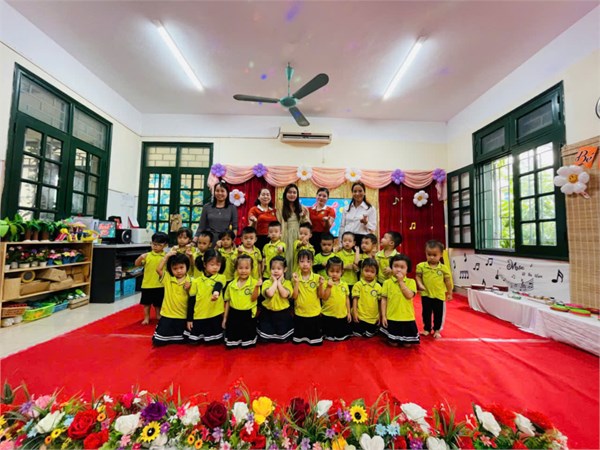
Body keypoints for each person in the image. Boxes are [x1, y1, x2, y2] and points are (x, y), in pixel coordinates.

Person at [185, 249, 226, 344]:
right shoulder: (196, 281)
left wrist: (216, 292)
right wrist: (189, 319)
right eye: (212, 264)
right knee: (193, 341)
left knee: (214, 342)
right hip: (199, 315)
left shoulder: (221, 277)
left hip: (214, 315)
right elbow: (191, 300)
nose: (215, 267)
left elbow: (218, 285)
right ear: (204, 264)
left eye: (218, 265)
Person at [152, 251, 192, 346]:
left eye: (181, 267)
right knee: (158, 342)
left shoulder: (191, 280)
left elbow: (193, 299)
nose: (179, 271)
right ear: (170, 269)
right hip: (167, 315)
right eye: (175, 268)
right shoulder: (167, 278)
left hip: (182, 316)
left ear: (187, 266)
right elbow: (158, 269)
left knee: (187, 341)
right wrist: (166, 257)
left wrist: (189, 288)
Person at [415, 240, 453, 339]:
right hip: (426, 294)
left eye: (434, 255)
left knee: (438, 314)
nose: (431, 257)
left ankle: (437, 329)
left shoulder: (443, 268)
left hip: (439, 295)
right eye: (429, 254)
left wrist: (449, 293)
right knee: (426, 313)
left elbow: (447, 281)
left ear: (441, 255)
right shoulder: (421, 266)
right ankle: (427, 328)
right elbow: (418, 276)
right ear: (425, 253)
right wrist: (420, 285)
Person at [223, 254, 262, 348]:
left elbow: (253, 298)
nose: (243, 271)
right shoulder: (231, 285)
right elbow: (227, 302)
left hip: (248, 314)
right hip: (234, 314)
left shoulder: (254, 283)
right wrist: (225, 318)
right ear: (236, 268)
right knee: (232, 342)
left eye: (246, 268)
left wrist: (257, 287)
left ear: (251, 269)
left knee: (247, 343)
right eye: (240, 268)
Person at [380, 254, 419, 347]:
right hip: (392, 317)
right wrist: (384, 316)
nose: (398, 269)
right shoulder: (387, 283)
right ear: (391, 267)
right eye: (395, 266)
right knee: (393, 343)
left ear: (407, 269)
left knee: (407, 345)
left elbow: (409, 295)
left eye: (402, 267)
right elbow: (384, 300)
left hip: (407, 317)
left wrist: (401, 281)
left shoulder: (411, 282)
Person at [277, 183, 310, 278]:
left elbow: (307, 225)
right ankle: (286, 280)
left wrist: (304, 217)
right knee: (287, 258)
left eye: (294, 192)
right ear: (285, 194)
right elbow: (279, 224)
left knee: (298, 258)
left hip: (299, 237)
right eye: (289, 192)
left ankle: (298, 280)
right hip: (286, 237)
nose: (292, 194)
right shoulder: (280, 209)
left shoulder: (303, 208)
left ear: (297, 194)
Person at [257, 256, 294, 342]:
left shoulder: (288, 283)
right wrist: (275, 282)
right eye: (273, 268)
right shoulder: (266, 282)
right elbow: (270, 294)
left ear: (285, 269)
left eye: (279, 268)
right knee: (264, 338)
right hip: (268, 313)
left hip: (283, 313)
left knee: (283, 338)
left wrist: (279, 283)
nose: (276, 271)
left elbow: (284, 294)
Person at [135, 231, 168, 325]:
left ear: (165, 245)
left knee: (159, 303)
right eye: (154, 244)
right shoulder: (147, 255)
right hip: (147, 284)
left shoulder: (166, 256)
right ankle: (146, 318)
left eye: (159, 245)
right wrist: (141, 257)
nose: (155, 246)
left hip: (160, 284)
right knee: (146, 304)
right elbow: (137, 264)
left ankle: (158, 315)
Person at [291, 250, 323, 345]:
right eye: (302, 261)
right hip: (300, 313)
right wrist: (296, 282)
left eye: (308, 261)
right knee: (298, 342)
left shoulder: (317, 277)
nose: (305, 264)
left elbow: (321, 296)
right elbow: (294, 296)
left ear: (312, 263)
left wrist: (321, 285)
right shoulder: (295, 278)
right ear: (298, 263)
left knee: (315, 343)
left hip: (314, 313)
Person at [194, 181, 238, 246]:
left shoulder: (232, 208)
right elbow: (201, 227)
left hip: (224, 240)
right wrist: (194, 241)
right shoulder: (207, 207)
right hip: (208, 241)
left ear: (227, 193)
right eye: (217, 191)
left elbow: (235, 228)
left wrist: (231, 242)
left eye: (222, 191)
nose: (219, 193)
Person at [320, 256, 352, 341]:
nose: (334, 274)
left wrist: (349, 312)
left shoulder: (344, 284)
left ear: (342, 272)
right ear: (327, 271)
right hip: (328, 314)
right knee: (328, 335)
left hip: (341, 314)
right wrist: (329, 287)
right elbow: (324, 297)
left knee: (340, 335)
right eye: (332, 271)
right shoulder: (325, 283)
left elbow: (347, 299)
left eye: (337, 271)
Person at [339, 181, 377, 249]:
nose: (357, 193)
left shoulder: (370, 209)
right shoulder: (346, 208)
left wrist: (366, 223)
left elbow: (373, 228)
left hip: (362, 240)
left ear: (364, 192)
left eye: (360, 191)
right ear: (352, 193)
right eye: (355, 191)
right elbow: (342, 226)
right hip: (347, 240)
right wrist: (340, 243)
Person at [352, 258, 382, 337]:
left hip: (373, 318)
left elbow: (380, 302)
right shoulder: (358, 285)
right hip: (360, 316)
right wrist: (355, 313)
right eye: (366, 271)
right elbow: (355, 300)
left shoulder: (378, 286)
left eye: (372, 272)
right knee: (357, 334)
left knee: (369, 334)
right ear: (361, 270)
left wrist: (380, 315)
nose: (369, 274)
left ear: (376, 273)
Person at [308, 187, 336, 254]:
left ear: (327, 198)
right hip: (312, 237)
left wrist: (326, 221)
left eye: (324, 196)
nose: (321, 197)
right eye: (319, 195)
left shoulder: (330, 210)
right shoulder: (309, 210)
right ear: (316, 196)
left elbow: (328, 227)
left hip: (324, 238)